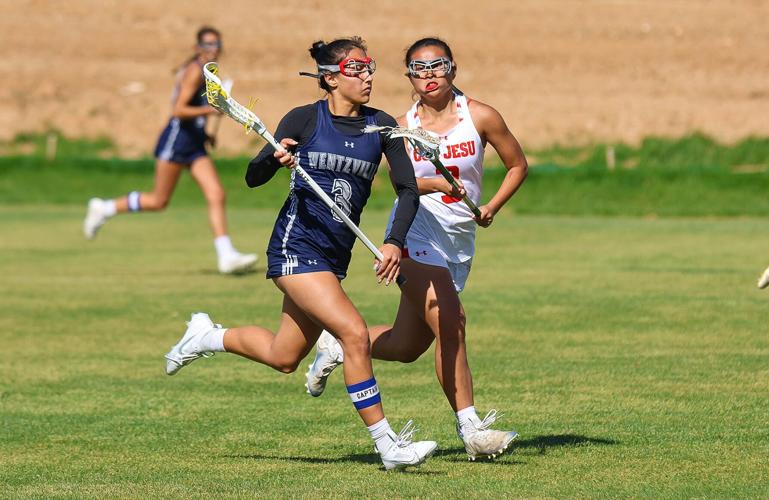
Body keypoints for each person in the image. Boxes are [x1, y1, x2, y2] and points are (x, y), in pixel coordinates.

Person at [163, 37, 437, 470]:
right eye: (356, 70)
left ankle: (206, 336)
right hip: (296, 246)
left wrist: (393, 241)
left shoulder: (381, 126)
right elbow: (253, 178)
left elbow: (406, 189)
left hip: (334, 256)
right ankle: (388, 446)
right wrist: (275, 159)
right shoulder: (305, 119)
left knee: (285, 357)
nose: (367, 77)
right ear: (330, 79)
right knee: (354, 333)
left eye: (370, 68)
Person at [305, 37, 529, 461]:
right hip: (414, 233)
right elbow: (403, 185)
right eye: (418, 68)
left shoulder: (479, 115)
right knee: (451, 319)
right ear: (408, 75)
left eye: (437, 65)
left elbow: (518, 164)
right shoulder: (402, 125)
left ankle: (338, 345)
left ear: (452, 69)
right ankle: (472, 430)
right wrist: (438, 183)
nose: (428, 74)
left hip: (459, 239)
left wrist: (490, 207)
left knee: (407, 347)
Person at [83, 26, 257, 274]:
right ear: (197, 48)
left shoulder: (209, 73)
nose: (213, 49)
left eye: (216, 44)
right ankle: (105, 208)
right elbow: (178, 110)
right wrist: (210, 111)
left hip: (194, 142)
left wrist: (205, 132)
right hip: (176, 140)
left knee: (216, 193)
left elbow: (197, 107)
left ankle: (226, 255)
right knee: (159, 200)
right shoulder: (194, 72)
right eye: (207, 45)